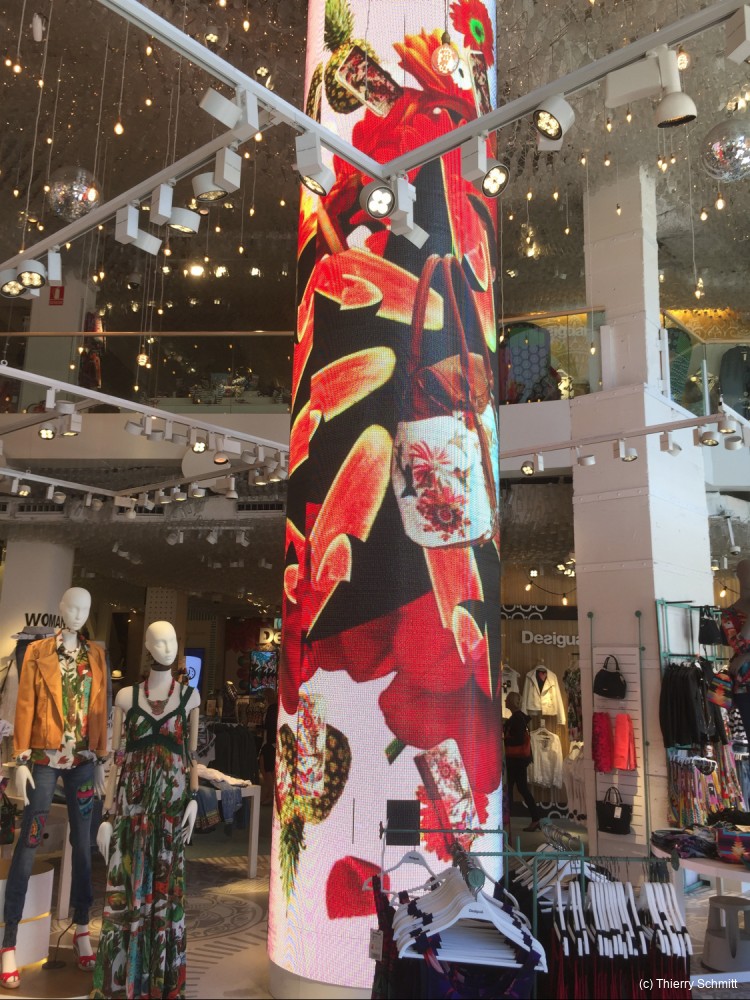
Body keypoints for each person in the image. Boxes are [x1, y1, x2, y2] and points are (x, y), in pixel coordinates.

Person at [1, 587, 107, 990]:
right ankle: (9, 940)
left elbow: (100, 705)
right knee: (29, 842)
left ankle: (81, 927)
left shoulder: (95, 654)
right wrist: (21, 758)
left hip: (83, 762)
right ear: (61, 609)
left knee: (83, 845)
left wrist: (101, 756)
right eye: (72, 607)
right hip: (44, 760)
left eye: (85, 608)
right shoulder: (38, 651)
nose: (78, 614)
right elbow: (24, 704)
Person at [92, 621, 200, 999]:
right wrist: (107, 815)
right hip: (131, 812)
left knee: (165, 895)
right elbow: (117, 759)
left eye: (173, 640)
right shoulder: (126, 697)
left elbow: (191, 755)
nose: (167, 647)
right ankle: (125, 980)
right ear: (148, 647)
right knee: (128, 892)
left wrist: (194, 798)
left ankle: (159, 981)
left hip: (170, 813)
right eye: (160, 641)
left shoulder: (190, 698)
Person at [503, 692, 541, 833]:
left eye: (507, 700)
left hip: (516, 760)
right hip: (519, 760)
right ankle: (535, 819)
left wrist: (505, 740)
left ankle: (507, 820)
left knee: (513, 788)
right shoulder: (519, 718)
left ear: (511, 702)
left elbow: (518, 739)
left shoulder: (517, 719)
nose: (505, 701)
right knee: (521, 788)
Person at [722, 559, 750, 742]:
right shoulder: (729, 614)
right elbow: (740, 646)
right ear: (740, 576)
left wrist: (745, 657)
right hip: (744, 686)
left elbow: (743, 652)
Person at [260, 691, 278, 806]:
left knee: (267, 768)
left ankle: (271, 795)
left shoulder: (272, 708)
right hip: (272, 742)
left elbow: (269, 727)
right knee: (268, 768)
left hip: (270, 742)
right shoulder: (275, 708)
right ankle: (270, 793)